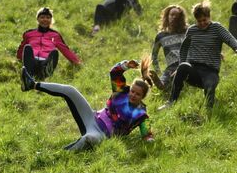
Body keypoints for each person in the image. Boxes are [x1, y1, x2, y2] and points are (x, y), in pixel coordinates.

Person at [20, 59, 153, 151]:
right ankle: (31, 84)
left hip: (101, 134)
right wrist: (125, 65)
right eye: (132, 91)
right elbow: (114, 73)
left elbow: (145, 132)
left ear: (142, 97)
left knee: (88, 138)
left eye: (137, 94)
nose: (133, 95)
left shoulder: (140, 113)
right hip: (92, 117)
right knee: (70, 90)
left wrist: (149, 139)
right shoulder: (121, 91)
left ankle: (60, 154)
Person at [159, 0, 237, 110]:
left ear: (209, 17)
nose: (202, 23)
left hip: (210, 71)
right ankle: (171, 102)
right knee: (183, 67)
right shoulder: (192, 30)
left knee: (209, 86)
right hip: (194, 70)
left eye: (204, 20)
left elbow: (229, 39)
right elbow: (184, 48)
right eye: (199, 21)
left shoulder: (217, 28)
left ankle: (209, 112)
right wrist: (181, 65)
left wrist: (235, 47)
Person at [17, 7, 81, 80]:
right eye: (42, 17)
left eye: (48, 17)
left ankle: (44, 74)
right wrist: (18, 59)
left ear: (51, 20)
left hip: (46, 62)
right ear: (37, 19)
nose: (45, 19)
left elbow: (65, 50)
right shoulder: (29, 34)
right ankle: (29, 75)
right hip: (32, 61)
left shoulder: (55, 35)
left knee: (55, 52)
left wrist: (77, 62)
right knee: (27, 47)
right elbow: (22, 48)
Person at [150, 5, 188, 91]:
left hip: (187, 63)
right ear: (167, 16)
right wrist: (158, 72)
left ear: (180, 18)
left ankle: (177, 81)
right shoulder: (160, 36)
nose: (174, 18)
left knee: (179, 75)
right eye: (172, 15)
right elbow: (154, 56)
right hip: (171, 66)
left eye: (177, 16)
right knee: (163, 85)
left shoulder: (187, 31)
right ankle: (161, 82)